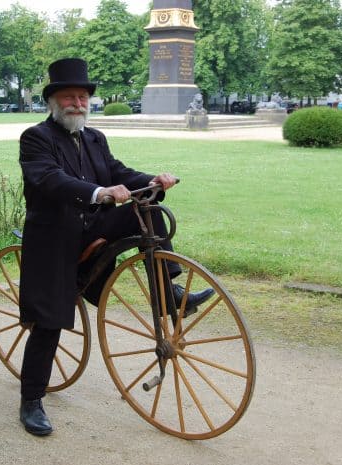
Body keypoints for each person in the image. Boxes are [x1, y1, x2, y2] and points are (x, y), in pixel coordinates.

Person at [17, 58, 213, 436]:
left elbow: (118, 172)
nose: (77, 103)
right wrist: (98, 192)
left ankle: (170, 292)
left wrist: (151, 180)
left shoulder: (94, 138)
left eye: (82, 97)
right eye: (69, 97)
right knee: (50, 321)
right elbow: (51, 180)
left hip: (93, 226)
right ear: (53, 102)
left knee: (149, 208)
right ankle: (31, 400)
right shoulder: (36, 138)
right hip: (56, 237)